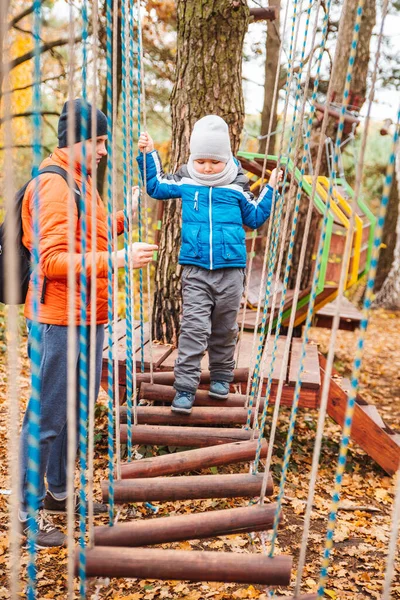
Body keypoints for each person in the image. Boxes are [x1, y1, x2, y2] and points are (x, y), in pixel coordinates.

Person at [18, 98, 157, 548]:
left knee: (72, 413)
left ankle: (57, 494)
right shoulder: (53, 185)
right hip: (60, 320)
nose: (102, 151)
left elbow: (85, 234)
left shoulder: (79, 181)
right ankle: (25, 513)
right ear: (77, 140)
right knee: (47, 417)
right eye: (98, 142)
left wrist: (123, 220)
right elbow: (53, 260)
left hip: (89, 317)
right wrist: (117, 260)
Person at [138, 114, 282, 415]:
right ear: (193, 158)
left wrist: (269, 189)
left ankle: (220, 378)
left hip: (231, 272)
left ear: (226, 158)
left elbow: (254, 218)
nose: (206, 167)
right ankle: (185, 389)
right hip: (196, 270)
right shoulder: (187, 181)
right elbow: (155, 187)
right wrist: (149, 154)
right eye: (201, 160)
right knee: (193, 329)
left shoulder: (237, 186)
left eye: (214, 162)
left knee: (225, 329)